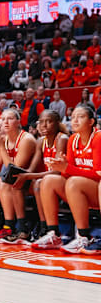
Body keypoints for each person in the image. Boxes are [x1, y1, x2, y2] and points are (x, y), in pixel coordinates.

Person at [34, 105, 100, 253]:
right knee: (49, 180)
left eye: (81, 117)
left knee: (73, 182)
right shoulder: (72, 139)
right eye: (73, 116)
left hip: (97, 191)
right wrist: (59, 167)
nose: (75, 120)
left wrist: (67, 169)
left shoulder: (98, 138)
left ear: (91, 122)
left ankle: (84, 236)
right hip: (79, 192)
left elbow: (98, 173)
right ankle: (53, 234)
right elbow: (66, 174)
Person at [0, 109, 36, 241]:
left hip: (31, 180)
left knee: (3, 182)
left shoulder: (26, 139)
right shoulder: (4, 140)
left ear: (18, 122)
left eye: (9, 118)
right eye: (3, 119)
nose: (5, 122)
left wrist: (2, 148)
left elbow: (14, 170)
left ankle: (9, 226)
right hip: (14, 181)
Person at [11, 110, 68, 244]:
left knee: (38, 183)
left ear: (57, 123)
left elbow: (58, 172)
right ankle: (22, 227)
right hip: (45, 181)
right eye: (41, 122)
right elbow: (31, 169)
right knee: (16, 184)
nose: (44, 125)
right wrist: (21, 175)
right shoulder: (40, 141)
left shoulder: (62, 139)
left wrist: (29, 175)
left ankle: (45, 229)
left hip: (62, 182)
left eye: (49, 121)